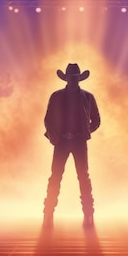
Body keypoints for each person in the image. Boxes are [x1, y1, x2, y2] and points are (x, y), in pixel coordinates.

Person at [43, 63, 101, 228]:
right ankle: (48, 213)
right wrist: (55, 137)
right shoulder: (56, 96)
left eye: (75, 78)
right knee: (56, 176)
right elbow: (48, 120)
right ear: (67, 78)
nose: (73, 80)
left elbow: (96, 120)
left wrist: (84, 134)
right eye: (71, 77)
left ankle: (88, 215)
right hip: (61, 142)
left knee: (83, 176)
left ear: (78, 79)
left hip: (78, 142)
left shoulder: (88, 97)